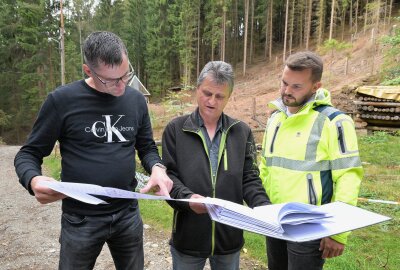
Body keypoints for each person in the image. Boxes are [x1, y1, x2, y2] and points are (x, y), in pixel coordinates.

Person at [14, 31, 173, 270]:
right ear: (88, 71)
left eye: (125, 75)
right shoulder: (62, 101)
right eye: (111, 80)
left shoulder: (136, 101)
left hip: (127, 214)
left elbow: (147, 147)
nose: (122, 85)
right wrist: (33, 180)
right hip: (81, 219)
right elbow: (28, 154)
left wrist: (158, 168)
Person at [259, 51, 363, 270]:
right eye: (284, 83)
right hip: (274, 219)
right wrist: (262, 210)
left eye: (296, 86)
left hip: (310, 226)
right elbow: (266, 166)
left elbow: (348, 177)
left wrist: (338, 231)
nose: (287, 91)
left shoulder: (335, 122)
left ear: (316, 86)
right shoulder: (275, 118)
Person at [162, 61, 270, 270]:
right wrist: (187, 198)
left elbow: (249, 178)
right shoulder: (176, 129)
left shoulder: (242, 132)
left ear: (229, 97)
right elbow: (169, 176)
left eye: (220, 96)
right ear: (197, 89)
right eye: (207, 93)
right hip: (188, 237)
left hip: (229, 237)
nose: (212, 101)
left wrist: (263, 207)